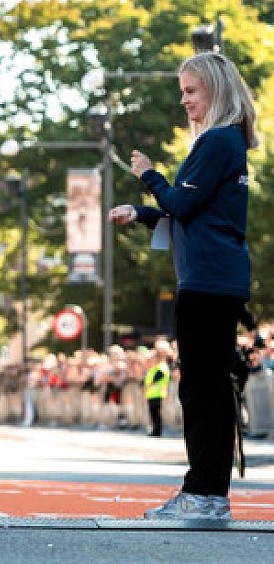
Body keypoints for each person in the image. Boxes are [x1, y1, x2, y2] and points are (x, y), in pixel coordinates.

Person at [109, 51, 257, 521]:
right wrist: (142, 213)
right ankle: (208, 494)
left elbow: (184, 206)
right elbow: (197, 212)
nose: (184, 101)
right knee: (207, 388)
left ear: (216, 89)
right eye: (182, 92)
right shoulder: (225, 142)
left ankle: (204, 494)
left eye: (191, 91)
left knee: (201, 390)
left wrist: (148, 176)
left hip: (208, 280)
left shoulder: (217, 141)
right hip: (215, 277)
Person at [143, 340, 172, 437]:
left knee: (156, 414)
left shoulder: (161, 367)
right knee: (153, 413)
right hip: (152, 394)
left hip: (158, 393)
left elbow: (156, 379)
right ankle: (155, 430)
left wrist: (147, 386)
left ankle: (157, 431)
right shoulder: (154, 367)